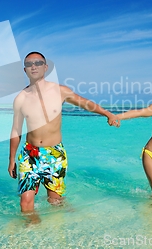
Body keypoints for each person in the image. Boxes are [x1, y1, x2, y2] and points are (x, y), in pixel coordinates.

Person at [8, 51, 118, 215]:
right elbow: (16, 130)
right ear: (25, 70)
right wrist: (11, 159)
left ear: (45, 67)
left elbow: (85, 103)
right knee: (25, 202)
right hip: (29, 154)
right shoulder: (20, 98)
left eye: (38, 63)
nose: (34, 66)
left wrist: (107, 114)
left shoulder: (60, 91)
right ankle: (30, 233)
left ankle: (62, 227)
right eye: (29, 64)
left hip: (55, 153)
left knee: (55, 202)